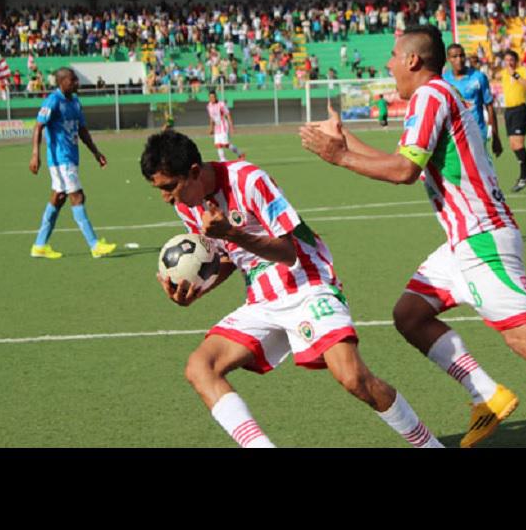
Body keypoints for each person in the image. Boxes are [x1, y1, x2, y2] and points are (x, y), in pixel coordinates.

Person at [299, 26, 526, 449]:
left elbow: (403, 172)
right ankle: (487, 395)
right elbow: (403, 162)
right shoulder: (435, 96)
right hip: (463, 241)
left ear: (412, 60)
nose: (388, 64)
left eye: (393, 56)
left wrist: (340, 156)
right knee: (410, 315)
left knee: (523, 335)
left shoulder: (430, 96)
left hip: (481, 236)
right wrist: (346, 142)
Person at [139, 130, 443, 449]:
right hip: (262, 298)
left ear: (194, 172)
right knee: (201, 368)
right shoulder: (186, 206)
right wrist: (199, 289)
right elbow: (223, 258)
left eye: (169, 187)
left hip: (307, 282)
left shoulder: (248, 179)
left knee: (354, 378)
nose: (167, 198)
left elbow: (288, 252)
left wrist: (232, 232)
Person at [28, 67, 117, 259]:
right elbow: (38, 126)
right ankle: (94, 245)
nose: (76, 83)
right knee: (77, 197)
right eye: (72, 80)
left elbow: (82, 130)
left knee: (58, 198)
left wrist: (96, 152)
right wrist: (35, 154)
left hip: (71, 158)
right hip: (61, 159)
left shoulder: (75, 102)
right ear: (61, 82)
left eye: (76, 79)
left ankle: (39, 245)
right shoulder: (53, 101)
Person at [442, 44, 502, 161]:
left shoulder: (479, 77)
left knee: (477, 166)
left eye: (462, 55)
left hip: (476, 132)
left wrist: (496, 136)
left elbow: (489, 106)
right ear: (448, 59)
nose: (459, 59)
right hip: (453, 133)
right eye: (455, 56)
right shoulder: (444, 79)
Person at [500, 49, 526, 192]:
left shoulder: (521, 71)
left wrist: (515, 75)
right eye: (506, 60)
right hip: (508, 111)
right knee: (513, 145)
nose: (509, 63)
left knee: (519, 144)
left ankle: (524, 176)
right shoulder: (503, 73)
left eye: (511, 60)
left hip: (520, 109)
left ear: (516, 61)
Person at [206, 90, 245, 162]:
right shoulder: (209, 106)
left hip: (223, 125)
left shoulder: (221, 104)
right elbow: (211, 118)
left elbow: (228, 115)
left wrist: (232, 127)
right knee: (218, 144)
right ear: (209, 98)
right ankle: (223, 160)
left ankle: (240, 153)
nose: (212, 99)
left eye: (213, 97)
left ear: (216, 97)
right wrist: (211, 128)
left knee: (226, 144)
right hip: (216, 127)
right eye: (210, 97)